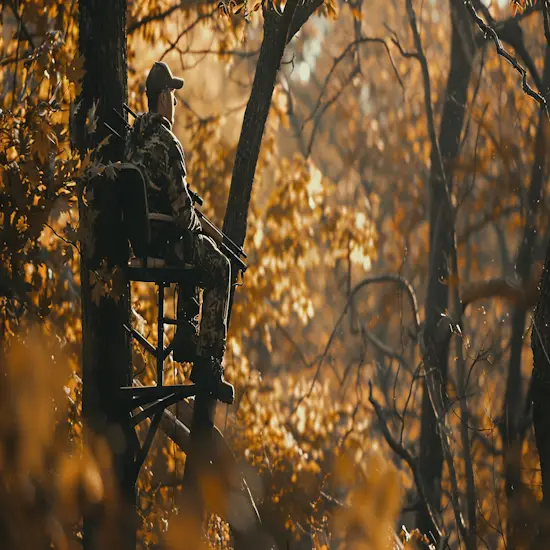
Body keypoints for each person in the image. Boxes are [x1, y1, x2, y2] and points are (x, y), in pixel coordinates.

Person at [125, 61, 234, 405]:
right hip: (166, 242)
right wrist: (200, 223)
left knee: (193, 244)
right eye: (173, 94)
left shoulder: (132, 140)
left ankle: (187, 332)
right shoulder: (168, 143)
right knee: (220, 266)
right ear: (162, 97)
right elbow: (184, 216)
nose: (176, 102)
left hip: (142, 241)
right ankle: (208, 364)